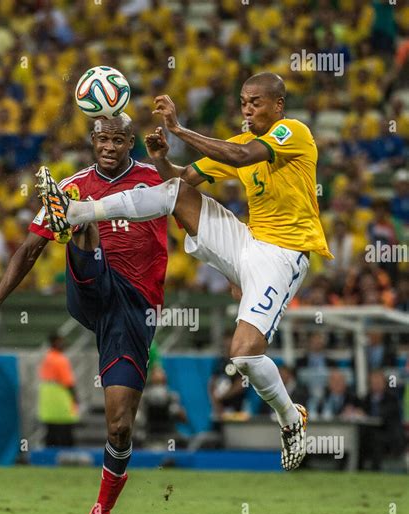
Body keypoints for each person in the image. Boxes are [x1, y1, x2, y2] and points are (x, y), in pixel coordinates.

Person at [37, 72, 333, 471]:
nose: (247, 108)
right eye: (244, 100)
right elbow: (178, 182)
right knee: (177, 195)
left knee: (244, 355)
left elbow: (243, 157)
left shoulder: (293, 133)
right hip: (248, 242)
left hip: (283, 254)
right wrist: (161, 156)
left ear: (278, 105)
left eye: (256, 102)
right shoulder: (239, 143)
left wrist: (178, 128)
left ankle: (289, 416)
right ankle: (79, 211)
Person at [0, 113, 168, 514]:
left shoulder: (155, 178)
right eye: (101, 139)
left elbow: (196, 218)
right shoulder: (75, 183)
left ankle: (100, 513)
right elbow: (29, 249)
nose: (109, 147)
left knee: (120, 425)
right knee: (79, 218)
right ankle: (78, 225)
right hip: (90, 290)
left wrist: (232, 273)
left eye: (117, 140)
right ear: (93, 141)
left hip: (132, 310)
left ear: (129, 141)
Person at [38, 333, 79, 446]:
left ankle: (48, 459)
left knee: (51, 432)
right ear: (56, 342)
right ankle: (67, 458)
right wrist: (75, 398)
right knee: (66, 433)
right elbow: (68, 382)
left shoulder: (47, 358)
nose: (64, 344)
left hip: (47, 401)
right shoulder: (61, 360)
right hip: (61, 400)